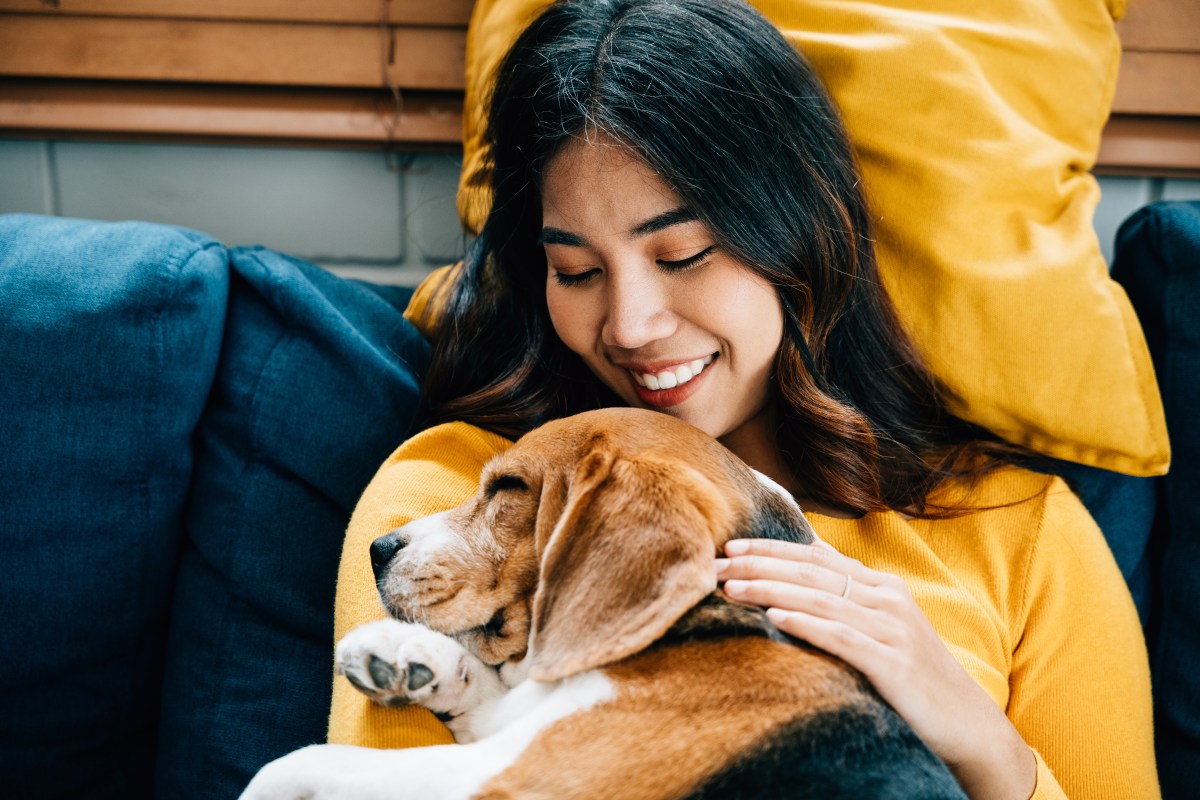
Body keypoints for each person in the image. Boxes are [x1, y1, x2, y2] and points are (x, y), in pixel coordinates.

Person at [327, 1, 1158, 798]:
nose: (631, 325)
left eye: (684, 254)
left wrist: (984, 745)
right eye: (576, 272)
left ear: (797, 230)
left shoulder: (1023, 535)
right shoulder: (453, 502)